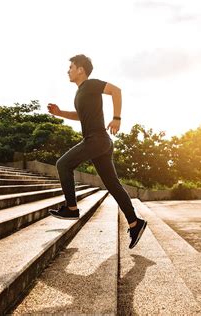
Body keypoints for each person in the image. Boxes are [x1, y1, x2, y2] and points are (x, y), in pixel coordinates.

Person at [47, 54, 147, 249]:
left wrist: (117, 117)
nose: (68, 71)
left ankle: (71, 207)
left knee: (63, 164)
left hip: (96, 140)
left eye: (71, 67)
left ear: (80, 70)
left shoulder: (91, 84)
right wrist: (60, 113)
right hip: (100, 142)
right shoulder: (80, 93)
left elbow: (116, 91)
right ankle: (135, 223)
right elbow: (80, 116)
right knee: (113, 185)